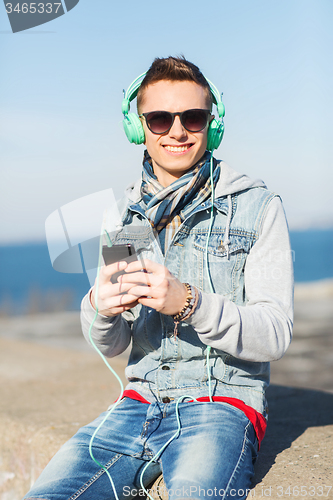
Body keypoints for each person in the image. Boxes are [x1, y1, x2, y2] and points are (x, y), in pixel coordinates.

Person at [23, 56, 293, 500]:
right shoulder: (121, 215)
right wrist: (101, 308)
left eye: (193, 117)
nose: (177, 131)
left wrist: (190, 302)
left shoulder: (258, 206)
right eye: (160, 118)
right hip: (136, 404)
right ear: (138, 127)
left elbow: (277, 335)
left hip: (221, 405)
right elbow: (112, 344)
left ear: (213, 123)